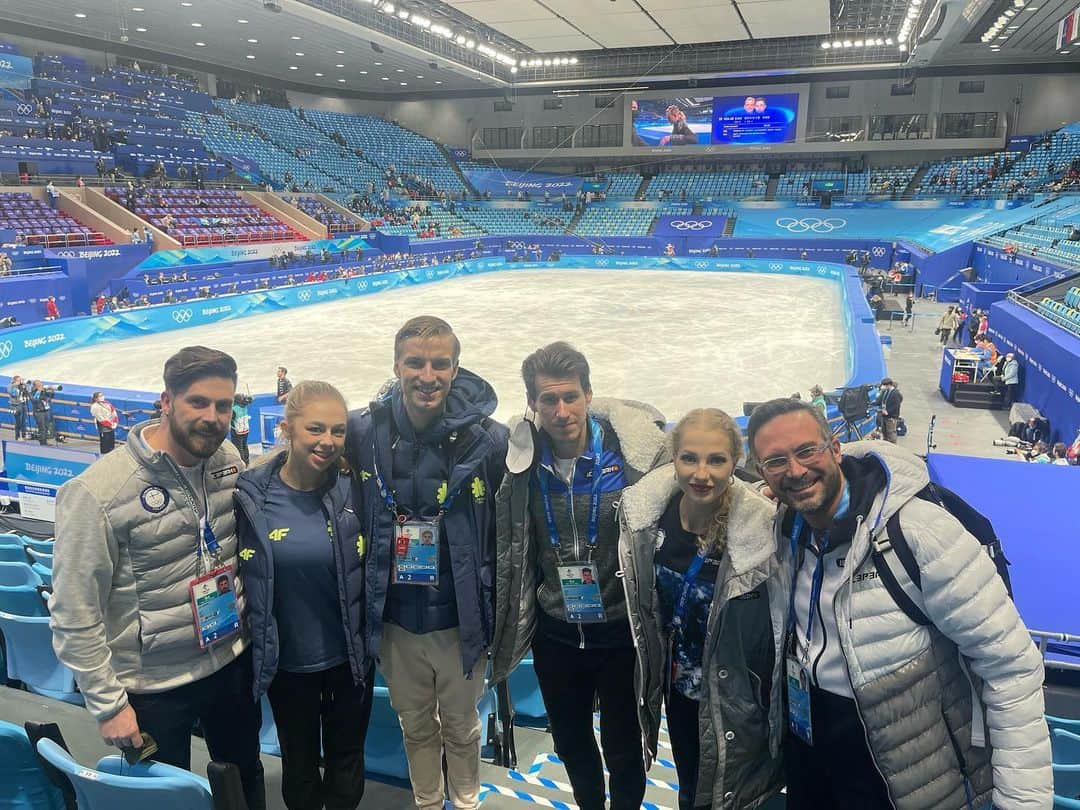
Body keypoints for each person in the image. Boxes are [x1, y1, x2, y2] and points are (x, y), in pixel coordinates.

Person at [746, 398, 1051, 810]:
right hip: (810, 751)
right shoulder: (781, 528)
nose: (796, 471)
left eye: (806, 451)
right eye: (776, 461)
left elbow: (1012, 667)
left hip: (908, 770)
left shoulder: (920, 532)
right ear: (762, 472)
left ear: (836, 448)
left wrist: (1023, 803)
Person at [49, 347, 265, 810]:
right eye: (199, 403)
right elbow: (73, 612)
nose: (213, 417)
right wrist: (109, 706)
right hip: (153, 688)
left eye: (223, 406)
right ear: (166, 401)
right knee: (167, 801)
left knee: (244, 780)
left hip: (229, 661)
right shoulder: (98, 492)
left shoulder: (226, 459)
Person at [490, 342, 669, 810]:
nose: (561, 410)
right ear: (533, 403)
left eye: (570, 396)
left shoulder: (630, 459)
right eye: (548, 399)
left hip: (619, 633)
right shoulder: (521, 463)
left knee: (624, 746)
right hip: (557, 633)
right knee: (569, 743)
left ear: (589, 394)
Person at [344, 316, 507, 810]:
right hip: (395, 621)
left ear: (457, 369)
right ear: (396, 366)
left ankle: (468, 801)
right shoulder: (361, 431)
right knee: (415, 727)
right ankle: (428, 803)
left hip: (459, 622)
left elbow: (506, 535)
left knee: (461, 727)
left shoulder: (491, 440)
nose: (427, 376)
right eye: (415, 363)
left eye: (440, 364)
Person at [619, 408, 784, 810]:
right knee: (691, 790)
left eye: (716, 460)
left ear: (736, 462)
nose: (701, 473)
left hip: (737, 698)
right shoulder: (648, 518)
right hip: (680, 693)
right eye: (689, 458)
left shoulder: (762, 528)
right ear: (672, 458)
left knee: (737, 799)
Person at [236, 381, 373, 810]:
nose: (327, 441)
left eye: (337, 431)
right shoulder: (250, 495)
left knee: (347, 763)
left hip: (350, 661)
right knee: (299, 767)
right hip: (289, 664)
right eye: (315, 429)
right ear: (286, 429)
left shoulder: (357, 489)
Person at [876, 377, 902, 444]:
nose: (883, 387)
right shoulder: (885, 392)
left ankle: (893, 447)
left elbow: (896, 405)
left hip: (891, 417)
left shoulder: (895, 393)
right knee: (884, 432)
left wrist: (888, 411)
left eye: (884, 385)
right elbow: (880, 401)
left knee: (891, 433)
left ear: (889, 385)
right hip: (884, 416)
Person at [30, 380, 55, 445]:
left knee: (46, 427)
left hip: (46, 411)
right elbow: (34, 400)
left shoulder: (44, 391)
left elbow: (51, 396)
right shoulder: (32, 392)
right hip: (39, 412)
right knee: (42, 428)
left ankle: (45, 442)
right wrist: (39, 391)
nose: (41, 386)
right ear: (35, 386)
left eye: (41, 384)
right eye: (39, 385)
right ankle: (42, 443)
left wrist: (52, 390)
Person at [231, 394, 251, 464]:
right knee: (245, 445)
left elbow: (231, 419)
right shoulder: (244, 406)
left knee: (239, 448)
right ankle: (247, 461)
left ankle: (242, 463)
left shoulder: (234, 409)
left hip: (237, 431)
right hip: (245, 430)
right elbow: (250, 399)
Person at [8, 375, 29, 440]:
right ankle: (17, 437)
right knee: (18, 422)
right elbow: (14, 394)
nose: (20, 381)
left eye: (20, 380)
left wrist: (25, 386)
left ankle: (23, 435)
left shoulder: (22, 386)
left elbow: (27, 393)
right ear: (15, 381)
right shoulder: (10, 386)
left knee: (24, 421)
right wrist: (16, 386)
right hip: (16, 406)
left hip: (23, 405)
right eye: (19, 380)